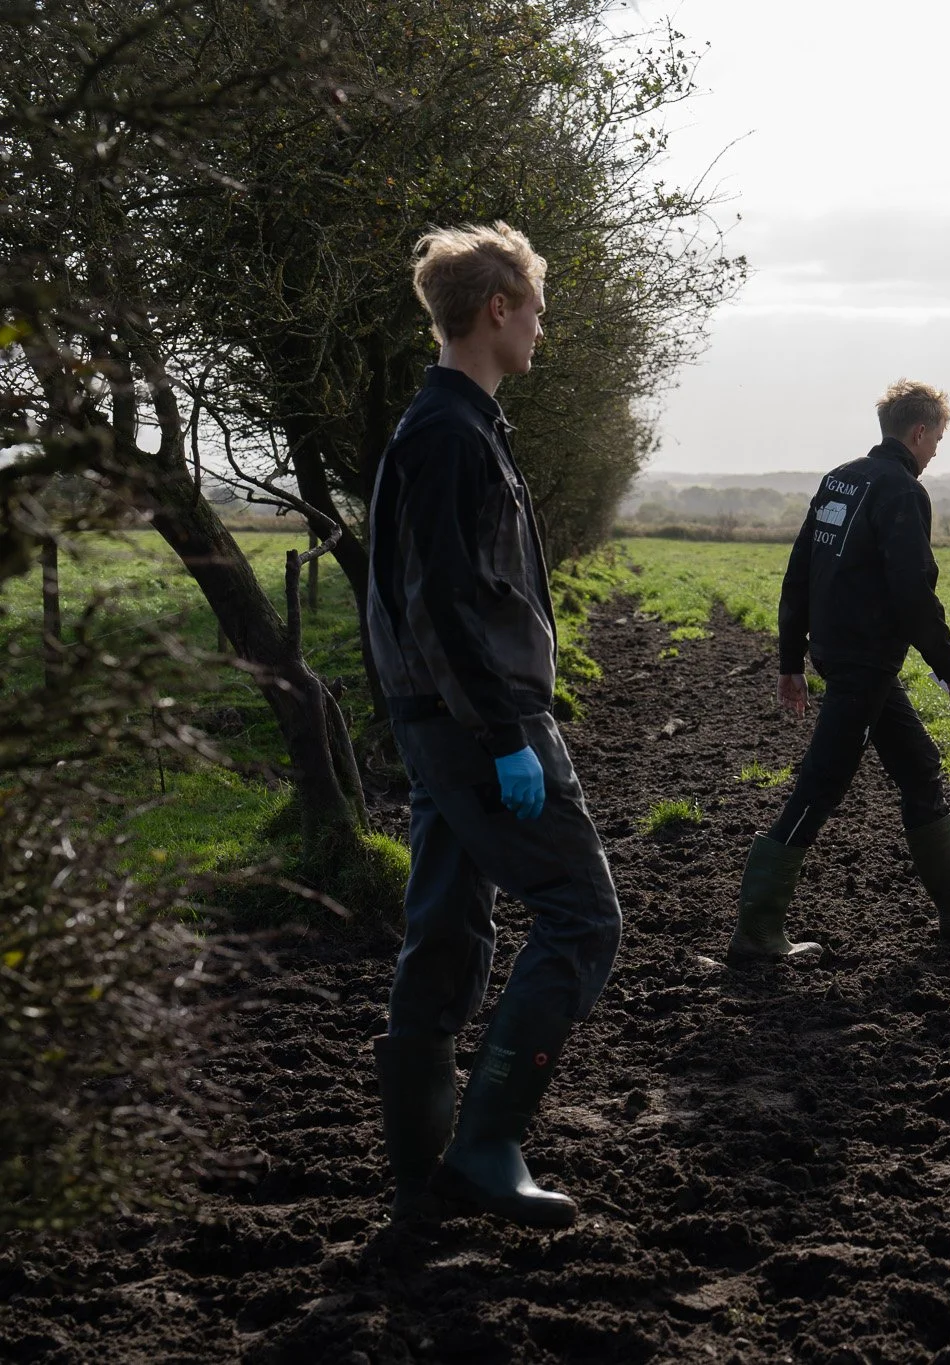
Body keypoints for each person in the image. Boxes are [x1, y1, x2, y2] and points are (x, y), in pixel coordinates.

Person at [365, 221, 621, 1229]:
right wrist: (508, 734)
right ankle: (484, 1145)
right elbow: (440, 601)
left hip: (447, 719)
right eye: (537, 312)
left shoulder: (457, 425)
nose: (543, 331)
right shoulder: (447, 434)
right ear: (497, 309)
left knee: (445, 927)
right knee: (582, 918)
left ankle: (419, 1176)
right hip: (479, 722)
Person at [727, 379, 950, 963]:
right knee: (819, 788)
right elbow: (914, 593)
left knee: (919, 766)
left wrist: (791, 660)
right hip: (863, 664)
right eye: (937, 439)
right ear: (918, 432)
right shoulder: (903, 491)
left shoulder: (841, 479)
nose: (936, 450)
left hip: (847, 657)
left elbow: (798, 573)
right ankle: (757, 931)